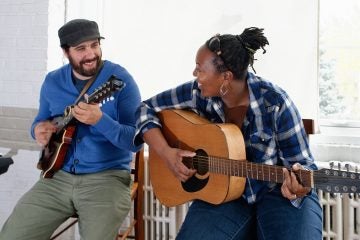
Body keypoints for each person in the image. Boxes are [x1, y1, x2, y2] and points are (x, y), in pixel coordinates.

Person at [134, 27, 322, 239]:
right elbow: (143, 109)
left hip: (277, 193)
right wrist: (166, 152)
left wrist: (299, 186)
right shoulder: (197, 92)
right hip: (224, 195)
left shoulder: (275, 102)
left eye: (200, 69)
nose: (195, 75)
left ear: (226, 77)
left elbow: (305, 166)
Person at [0, 19, 142, 240]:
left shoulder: (120, 80)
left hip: (106, 179)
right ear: (66, 52)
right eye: (81, 48)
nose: (91, 54)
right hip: (57, 177)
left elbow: (135, 141)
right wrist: (37, 130)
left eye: (95, 45)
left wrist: (100, 120)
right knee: (12, 235)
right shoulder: (53, 81)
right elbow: (41, 120)